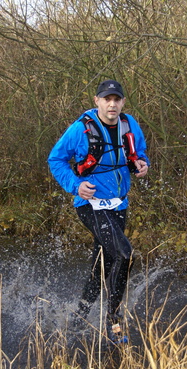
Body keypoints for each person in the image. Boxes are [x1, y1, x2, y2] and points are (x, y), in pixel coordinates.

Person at [48, 79, 149, 343]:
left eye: (117, 99)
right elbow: (55, 159)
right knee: (125, 255)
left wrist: (142, 164)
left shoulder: (130, 124)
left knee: (102, 265)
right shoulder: (80, 129)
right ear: (97, 101)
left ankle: (79, 314)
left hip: (118, 205)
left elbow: (140, 152)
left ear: (123, 102)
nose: (112, 104)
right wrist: (75, 185)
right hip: (90, 205)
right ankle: (114, 324)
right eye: (107, 99)